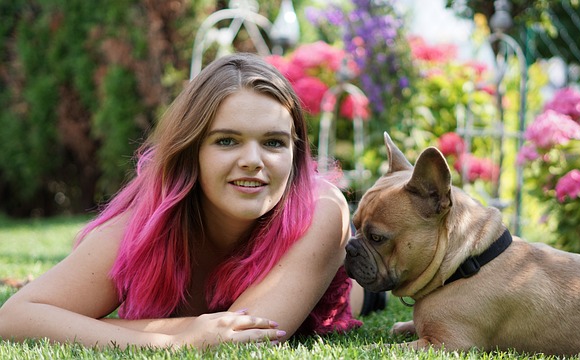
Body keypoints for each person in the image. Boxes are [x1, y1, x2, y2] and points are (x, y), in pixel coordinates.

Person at [0, 53, 383, 349]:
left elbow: (251, 334)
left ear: (295, 153)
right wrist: (175, 339)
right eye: (227, 140)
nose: (253, 159)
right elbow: (14, 318)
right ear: (191, 152)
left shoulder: (321, 209)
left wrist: (87, 325)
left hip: (347, 296)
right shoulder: (141, 227)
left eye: (273, 142)